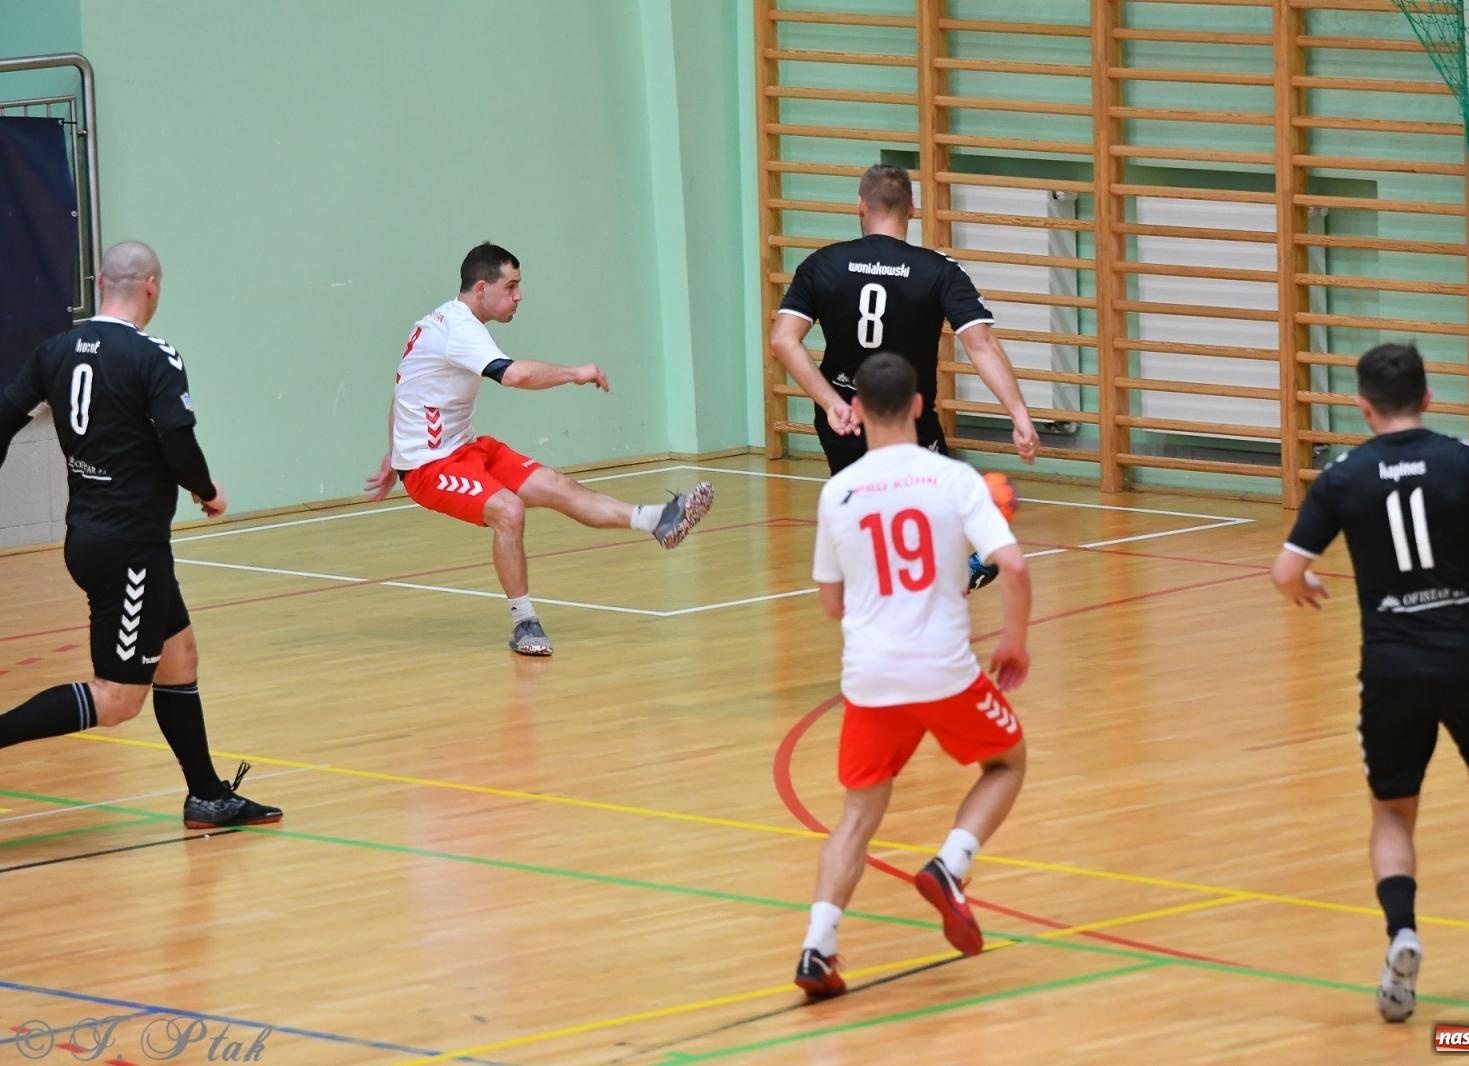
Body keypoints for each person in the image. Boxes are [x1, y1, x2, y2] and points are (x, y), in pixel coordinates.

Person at [1271, 342, 1469, 1022]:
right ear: (1428, 398)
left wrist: (1307, 582)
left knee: (1392, 809)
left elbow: (1286, 569)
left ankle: (1403, 934)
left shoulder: (1343, 477)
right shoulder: (1465, 459)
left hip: (1391, 667)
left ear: (1361, 405)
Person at [0, 241, 281, 829]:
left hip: (93, 536)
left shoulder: (55, 349)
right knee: (118, 698)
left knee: (179, 657)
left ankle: (206, 795)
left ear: (100, 280)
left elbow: (3, 420)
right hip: (130, 547)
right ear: (152, 285)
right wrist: (207, 490)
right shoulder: (154, 354)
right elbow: (178, 445)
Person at [795, 351, 1031, 999]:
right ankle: (950, 865)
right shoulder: (954, 481)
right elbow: (1011, 566)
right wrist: (1013, 641)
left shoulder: (836, 492)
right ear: (921, 406)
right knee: (1008, 762)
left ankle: (819, 946)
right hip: (943, 670)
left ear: (859, 411)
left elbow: (832, 603)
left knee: (858, 817)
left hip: (870, 676)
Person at [365, 243, 714, 656]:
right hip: (431, 467)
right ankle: (524, 621)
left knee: (557, 486)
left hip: (466, 448)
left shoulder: (440, 323)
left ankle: (658, 519)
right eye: (511, 286)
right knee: (508, 509)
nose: (519, 296)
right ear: (482, 287)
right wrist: (574, 373)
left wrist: (392, 452)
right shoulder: (458, 331)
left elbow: (404, 390)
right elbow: (512, 377)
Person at [769, 164, 1040, 593]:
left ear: (860, 206)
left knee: (869, 518)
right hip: (908, 421)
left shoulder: (821, 264)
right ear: (912, 210)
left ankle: (897, 596)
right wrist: (1019, 413)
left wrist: (831, 403)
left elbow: (783, 340)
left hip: (845, 418)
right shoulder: (939, 270)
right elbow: (981, 344)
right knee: (929, 515)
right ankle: (947, 580)